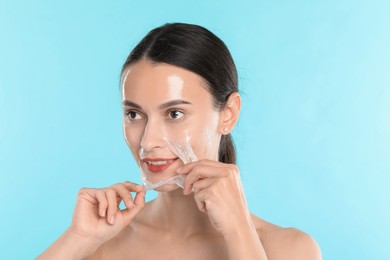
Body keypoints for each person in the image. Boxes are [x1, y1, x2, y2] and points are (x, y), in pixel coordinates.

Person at [38, 23, 322, 259]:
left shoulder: (289, 249)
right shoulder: (99, 244)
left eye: (174, 113)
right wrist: (77, 240)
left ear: (228, 114)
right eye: (134, 114)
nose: (148, 141)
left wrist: (239, 232)